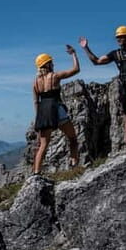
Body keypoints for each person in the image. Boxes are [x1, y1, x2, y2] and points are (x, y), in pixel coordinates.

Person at [32, 45, 80, 174]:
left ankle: (36, 172)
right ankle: (74, 163)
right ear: (47, 65)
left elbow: (36, 102)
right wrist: (74, 54)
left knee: (43, 145)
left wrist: (38, 119)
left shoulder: (35, 83)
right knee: (73, 138)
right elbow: (76, 69)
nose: (53, 64)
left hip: (43, 112)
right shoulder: (55, 76)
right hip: (56, 108)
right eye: (51, 63)